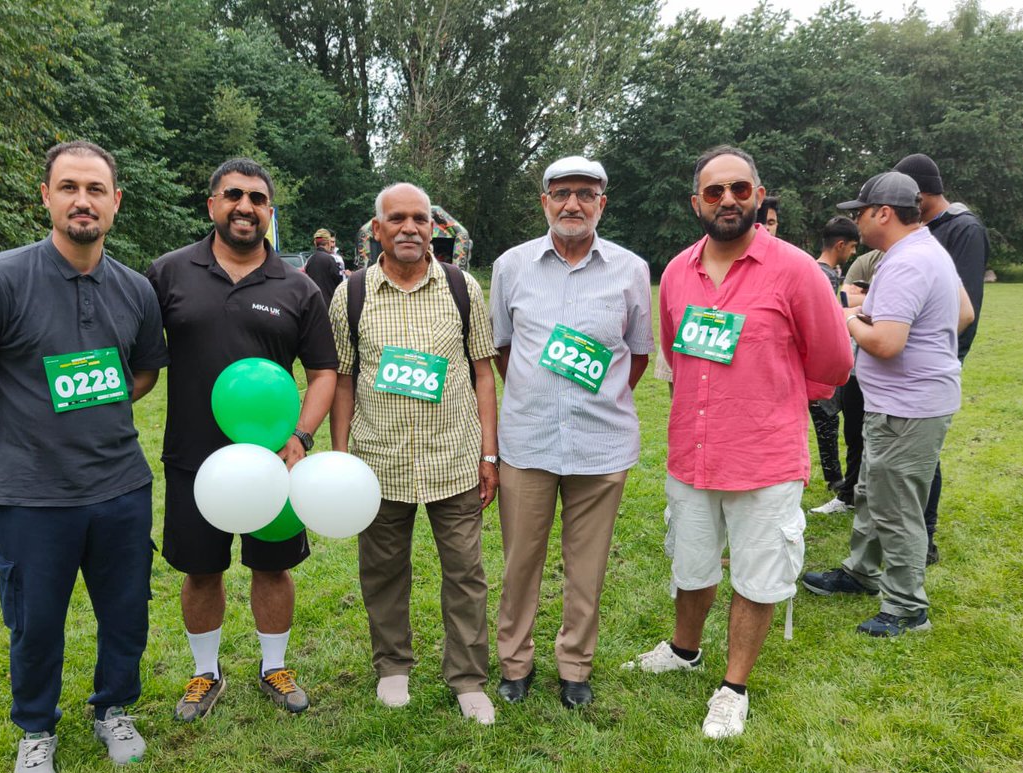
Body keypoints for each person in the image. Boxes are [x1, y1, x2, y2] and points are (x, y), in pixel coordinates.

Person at [0, 141, 169, 773]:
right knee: (34, 619)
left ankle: (114, 709)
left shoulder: (134, 290)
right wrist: (22, 416)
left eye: (96, 189)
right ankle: (36, 729)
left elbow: (146, 371)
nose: (82, 200)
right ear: (45, 195)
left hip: (121, 487)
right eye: (69, 187)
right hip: (30, 493)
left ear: (115, 202)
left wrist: (93, 410)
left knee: (126, 610)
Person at [634, 145, 852, 738]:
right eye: (714, 191)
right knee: (692, 562)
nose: (727, 199)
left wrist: (770, 396)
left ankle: (733, 687)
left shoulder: (797, 270)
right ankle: (684, 650)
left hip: (764, 456)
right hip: (693, 452)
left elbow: (834, 362)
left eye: (739, 188)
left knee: (757, 576)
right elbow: (678, 353)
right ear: (696, 203)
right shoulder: (678, 272)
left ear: (758, 195)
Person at [147, 158, 337, 720]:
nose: (245, 207)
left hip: (275, 459)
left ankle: (273, 666)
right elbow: (132, 353)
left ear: (269, 213)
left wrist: (301, 436)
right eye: (233, 195)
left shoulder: (297, 286)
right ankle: (206, 674)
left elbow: (324, 370)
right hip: (192, 457)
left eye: (257, 199)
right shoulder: (167, 273)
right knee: (200, 569)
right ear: (212, 205)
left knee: (272, 567)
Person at [329, 182, 500, 725]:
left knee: (466, 574)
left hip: (454, 459)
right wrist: (340, 461)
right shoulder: (351, 293)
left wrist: (489, 455)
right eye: (397, 219)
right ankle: (393, 668)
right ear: (376, 230)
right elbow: (342, 379)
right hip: (379, 462)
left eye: (420, 219)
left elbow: (482, 373)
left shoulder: (461, 287)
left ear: (434, 228)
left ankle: (469, 679)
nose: (410, 228)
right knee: (382, 572)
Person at [489, 156, 653, 708]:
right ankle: (515, 664)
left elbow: (637, 356)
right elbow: (504, 349)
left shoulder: (631, 270)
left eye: (586, 194)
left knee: (588, 568)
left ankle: (575, 668)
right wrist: (539, 394)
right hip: (528, 442)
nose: (573, 204)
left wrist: (594, 396)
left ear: (602, 203)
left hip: (600, 444)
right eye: (561, 193)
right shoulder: (511, 267)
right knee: (519, 563)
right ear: (545, 202)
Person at [803, 171, 974, 635]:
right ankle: (861, 572)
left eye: (859, 212)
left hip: (907, 407)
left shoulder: (904, 263)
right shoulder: (926, 250)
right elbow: (962, 314)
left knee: (897, 506)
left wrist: (846, 318)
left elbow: (884, 343)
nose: (855, 221)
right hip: (908, 402)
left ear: (883, 213)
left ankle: (906, 607)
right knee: (874, 492)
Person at [893, 153, 990, 565]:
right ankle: (900, 527)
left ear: (922, 193)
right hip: (906, 360)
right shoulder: (923, 230)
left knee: (924, 453)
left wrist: (947, 359)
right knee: (904, 451)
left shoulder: (963, 229)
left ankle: (925, 537)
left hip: (935, 361)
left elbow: (963, 308)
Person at [809, 216, 862, 493]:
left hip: (816, 366)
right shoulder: (825, 274)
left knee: (827, 422)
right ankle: (835, 479)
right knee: (828, 423)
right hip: (821, 368)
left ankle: (835, 476)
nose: (853, 252)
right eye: (852, 246)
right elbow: (828, 320)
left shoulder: (815, 270)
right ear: (840, 244)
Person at [304, 227, 343, 305]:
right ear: (328, 242)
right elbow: (338, 281)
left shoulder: (310, 260)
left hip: (314, 304)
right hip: (329, 303)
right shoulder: (330, 259)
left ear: (315, 243)